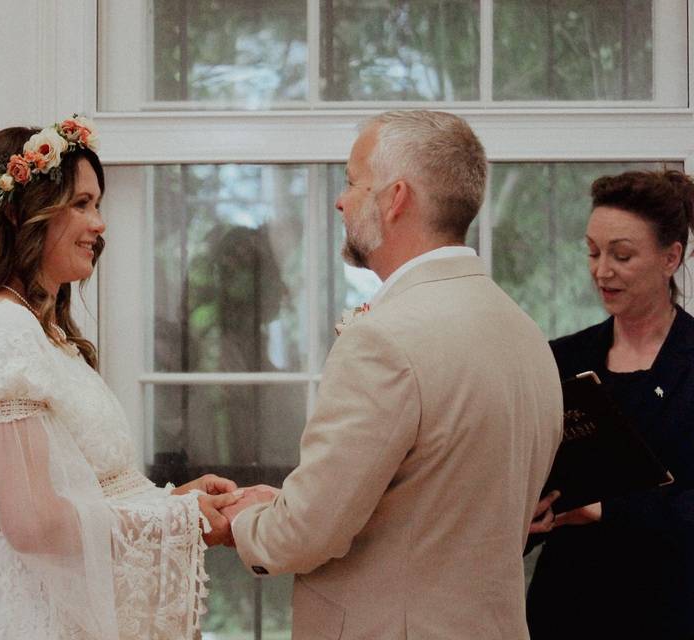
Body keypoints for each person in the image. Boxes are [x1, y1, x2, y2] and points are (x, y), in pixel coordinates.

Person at [220, 110, 564, 639]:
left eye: (353, 183)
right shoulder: (524, 331)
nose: (341, 200)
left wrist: (241, 520)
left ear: (395, 197)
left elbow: (305, 535)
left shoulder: (385, 338)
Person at [0, 116, 241, 639]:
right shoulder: (3, 329)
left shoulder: (44, 335)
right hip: (37, 615)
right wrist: (182, 524)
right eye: (81, 204)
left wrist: (176, 501)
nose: (100, 223)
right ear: (25, 214)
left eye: (97, 204)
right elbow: (33, 524)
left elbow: (80, 495)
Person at [526, 169, 694, 639]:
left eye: (622, 255)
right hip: (566, 609)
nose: (602, 271)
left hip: (671, 609)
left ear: (671, 258)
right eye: (593, 252)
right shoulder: (560, 358)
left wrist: (603, 510)